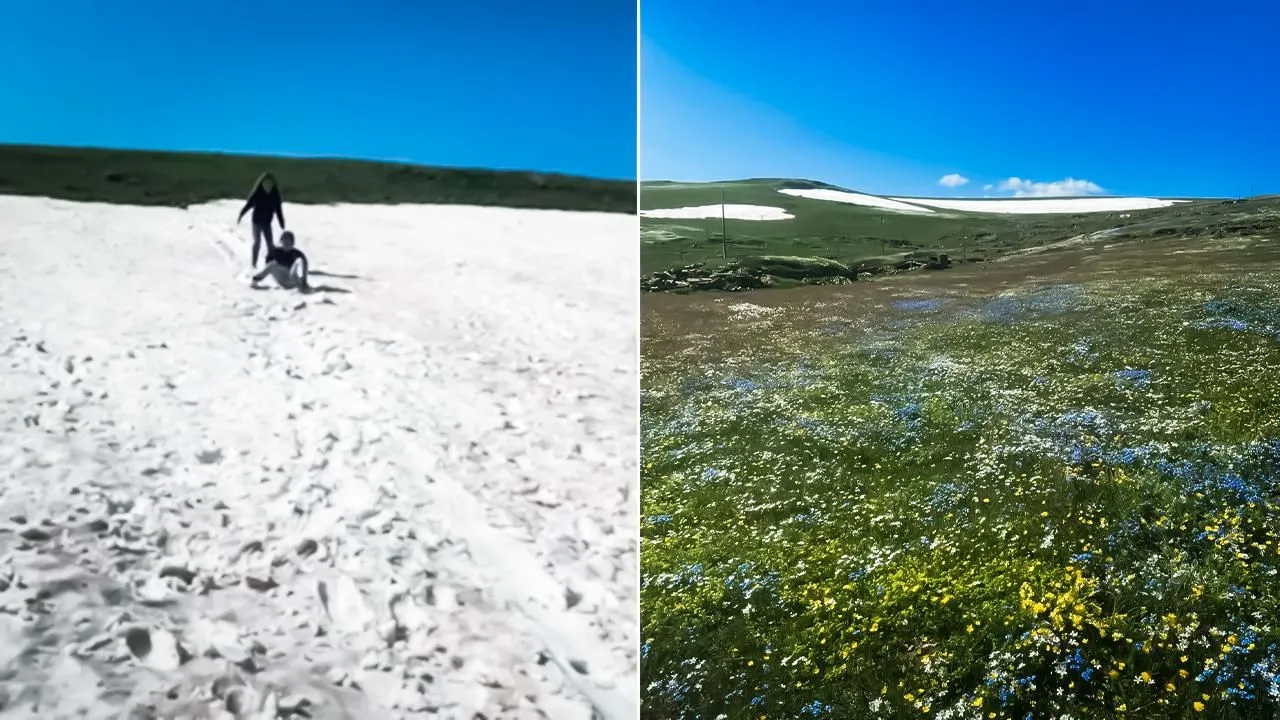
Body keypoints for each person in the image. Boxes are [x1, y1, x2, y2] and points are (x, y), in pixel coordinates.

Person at [237, 173, 287, 269]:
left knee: (270, 243)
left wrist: (282, 223)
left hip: (267, 222)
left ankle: (271, 262)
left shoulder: (275, 196)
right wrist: (241, 214)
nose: (268, 186)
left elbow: (278, 211)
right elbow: (249, 205)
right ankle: (254, 264)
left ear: (273, 185)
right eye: (266, 184)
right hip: (256, 222)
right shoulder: (258, 193)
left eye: (270, 184)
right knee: (257, 242)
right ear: (262, 184)